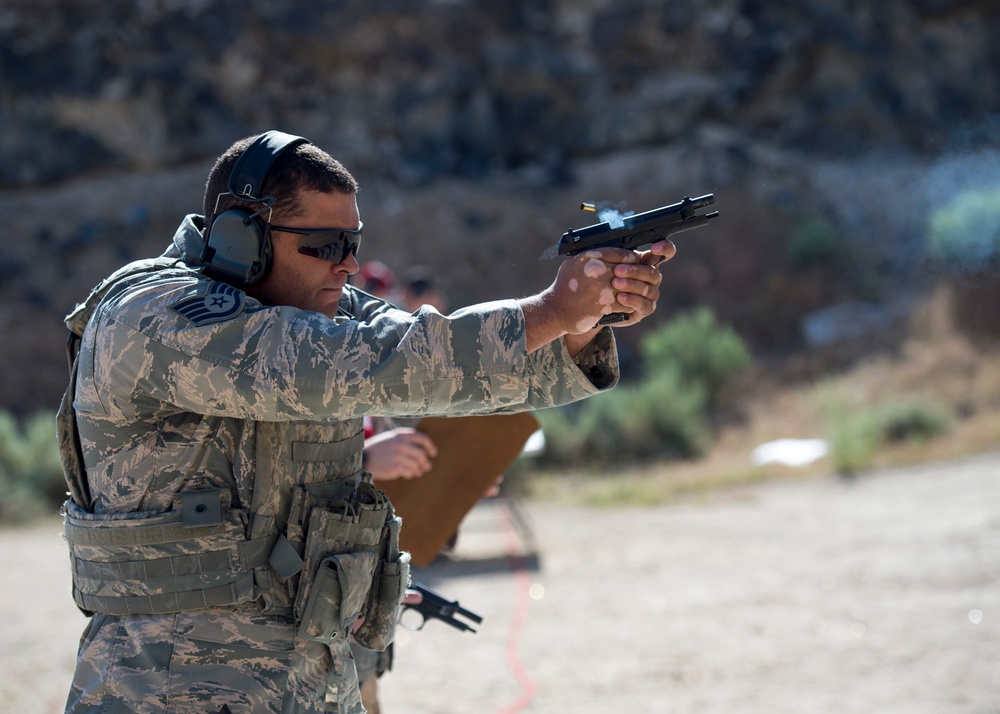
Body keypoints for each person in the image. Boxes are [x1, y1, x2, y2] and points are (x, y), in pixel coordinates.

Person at [57, 129, 674, 714]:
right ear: (243, 237)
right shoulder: (155, 317)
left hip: (314, 677)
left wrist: (587, 316)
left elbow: (448, 371)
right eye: (325, 247)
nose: (347, 266)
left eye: (352, 245)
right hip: (171, 686)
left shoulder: (319, 308)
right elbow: (374, 364)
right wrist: (549, 308)